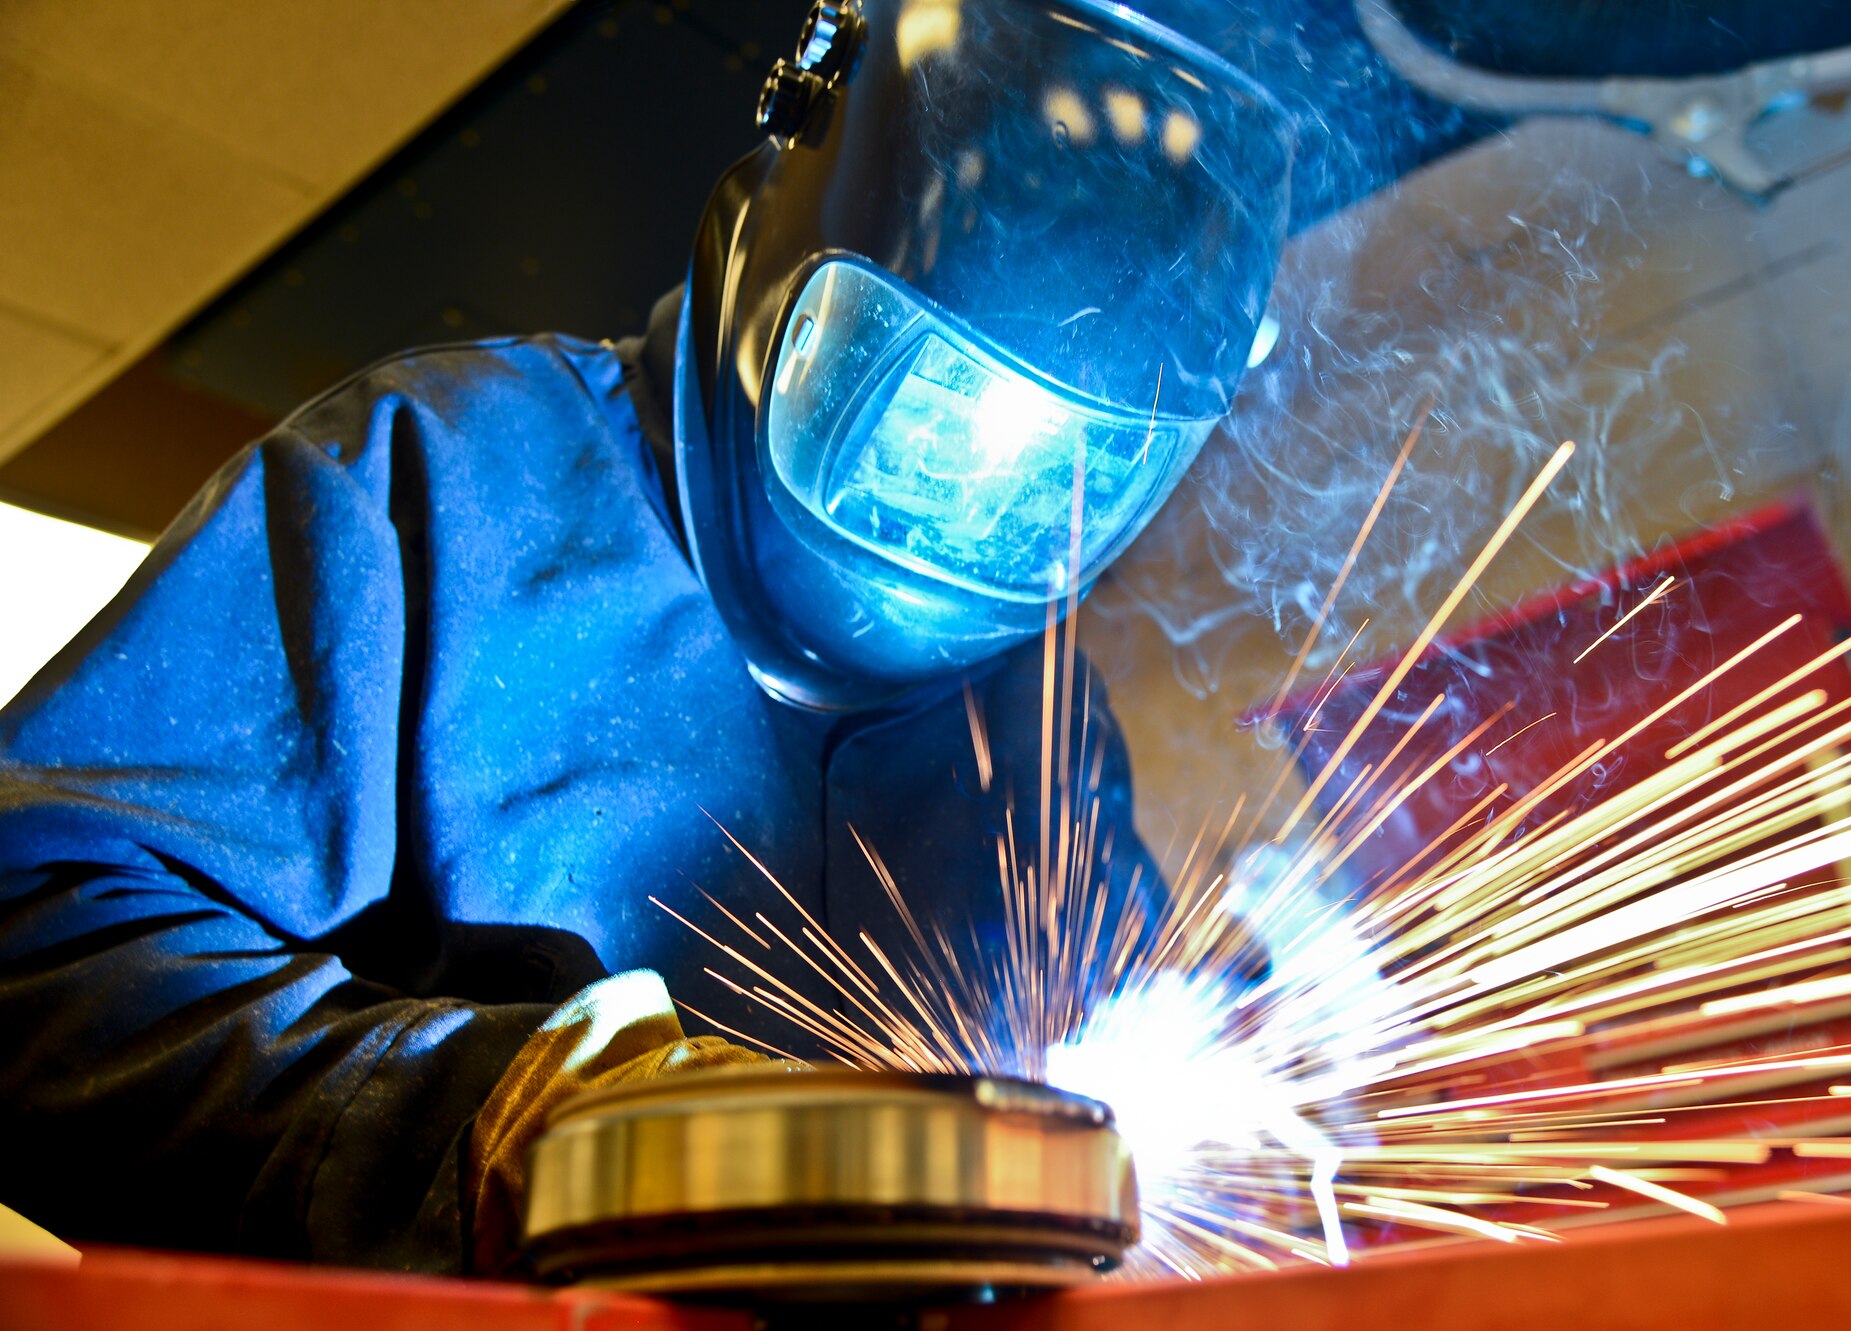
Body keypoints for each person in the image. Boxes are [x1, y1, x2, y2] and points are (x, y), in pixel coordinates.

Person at [0, 0, 1294, 1278]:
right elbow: (30, 943)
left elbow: (1108, 1075)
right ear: (800, 247)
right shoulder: (444, 479)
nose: (963, 498)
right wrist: (510, 1133)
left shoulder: (1036, 720)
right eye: (921, 400)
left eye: (1065, 474)